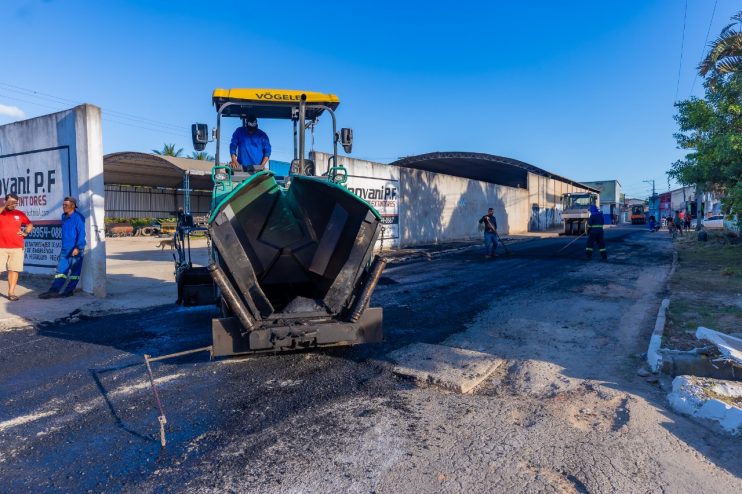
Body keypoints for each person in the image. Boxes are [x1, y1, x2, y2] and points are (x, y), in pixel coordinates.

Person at [39, 197, 86, 299]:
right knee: (61, 271)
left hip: (75, 250)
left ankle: (69, 291)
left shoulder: (78, 217)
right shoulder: (63, 216)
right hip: (65, 249)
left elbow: (81, 233)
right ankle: (54, 291)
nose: (64, 207)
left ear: (73, 206)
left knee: (74, 273)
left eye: (66, 205)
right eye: (63, 205)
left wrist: (78, 247)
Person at [0, 193, 33, 301]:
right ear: (5, 201)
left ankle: (11, 293)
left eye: (14, 202)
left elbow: (29, 224)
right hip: (1, 247)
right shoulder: (2, 212)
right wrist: (5, 206)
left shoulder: (20, 214)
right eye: (10, 201)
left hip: (17, 247)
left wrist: (25, 232)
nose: (12, 204)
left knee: (14, 270)